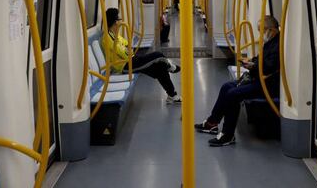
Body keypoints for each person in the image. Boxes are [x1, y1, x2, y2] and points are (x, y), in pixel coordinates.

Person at [195, 15, 280, 146]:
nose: (261, 34)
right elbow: (260, 59)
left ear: (272, 30)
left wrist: (253, 66)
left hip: (266, 84)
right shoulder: (270, 43)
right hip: (258, 78)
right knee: (226, 87)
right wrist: (251, 62)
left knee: (233, 94)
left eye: (262, 30)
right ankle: (212, 123)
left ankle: (228, 135)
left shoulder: (278, 45)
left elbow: (270, 66)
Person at [102, 8, 182, 104]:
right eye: (119, 19)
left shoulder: (115, 35)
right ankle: (171, 67)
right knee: (158, 55)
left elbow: (127, 45)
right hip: (125, 66)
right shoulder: (107, 38)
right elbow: (124, 52)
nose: (120, 21)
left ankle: (172, 95)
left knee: (160, 68)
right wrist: (126, 49)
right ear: (115, 22)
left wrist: (126, 49)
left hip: (131, 60)